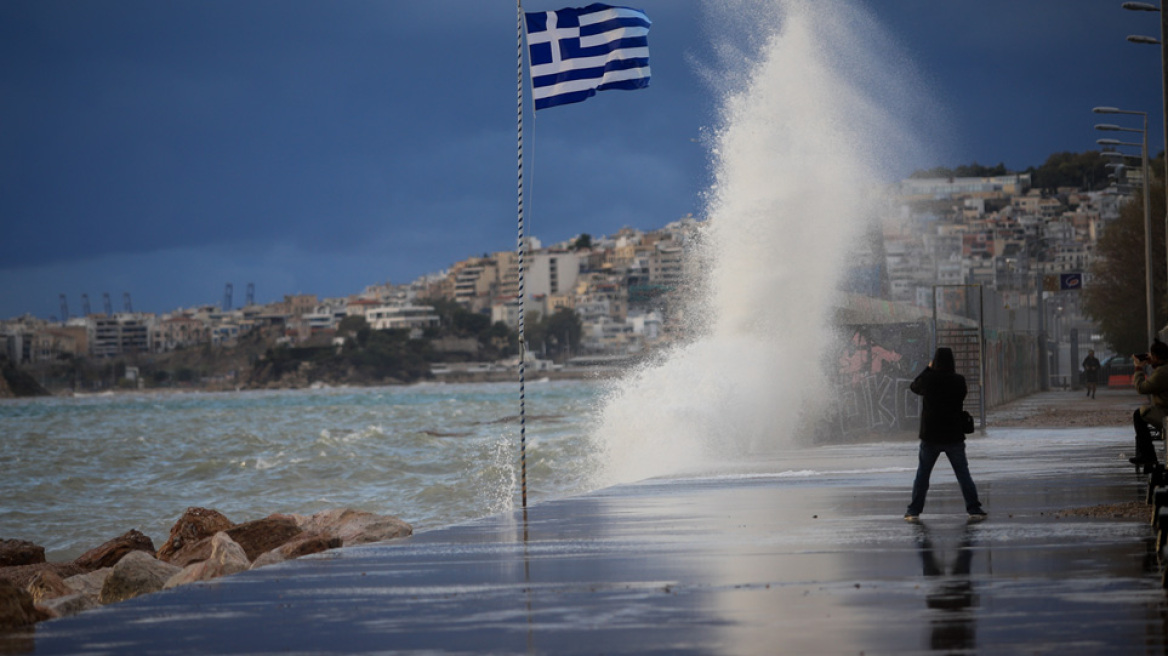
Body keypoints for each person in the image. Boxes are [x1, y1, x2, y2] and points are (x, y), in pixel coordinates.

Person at [905, 347, 986, 522]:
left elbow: (914, 386)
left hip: (931, 435)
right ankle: (975, 508)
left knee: (923, 475)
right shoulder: (958, 381)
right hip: (953, 434)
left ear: (935, 361)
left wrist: (928, 368)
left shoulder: (927, 380)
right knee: (963, 474)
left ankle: (913, 511)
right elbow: (962, 396)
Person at [1129, 340, 1168, 467]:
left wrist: (1138, 368)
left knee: (1139, 415)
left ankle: (1148, 455)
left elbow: (1142, 388)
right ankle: (1147, 455)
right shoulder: (1163, 369)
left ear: (1156, 356)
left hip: (1165, 412)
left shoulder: (1162, 372)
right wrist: (1154, 364)